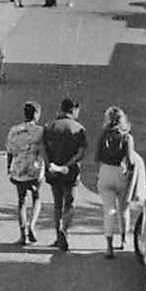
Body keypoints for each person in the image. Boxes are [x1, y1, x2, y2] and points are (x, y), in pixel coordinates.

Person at [42, 98, 88, 251]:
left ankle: (57, 235)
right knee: (70, 203)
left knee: (57, 203)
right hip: (71, 172)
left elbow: (44, 149)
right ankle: (65, 230)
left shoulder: (50, 126)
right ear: (73, 110)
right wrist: (68, 164)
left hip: (53, 170)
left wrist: (50, 165)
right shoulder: (79, 128)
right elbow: (81, 152)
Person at [94, 106, 136, 259]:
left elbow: (97, 157)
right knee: (123, 208)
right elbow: (130, 160)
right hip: (120, 171)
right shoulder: (126, 137)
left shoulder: (103, 136)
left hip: (105, 171)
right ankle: (124, 239)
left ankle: (109, 245)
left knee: (109, 210)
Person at [4, 102, 47, 245]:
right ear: (36, 114)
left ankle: (22, 234)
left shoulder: (14, 130)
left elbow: (10, 151)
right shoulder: (41, 130)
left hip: (19, 169)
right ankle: (32, 224)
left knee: (21, 201)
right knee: (37, 198)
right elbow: (45, 150)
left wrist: (9, 168)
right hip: (35, 170)